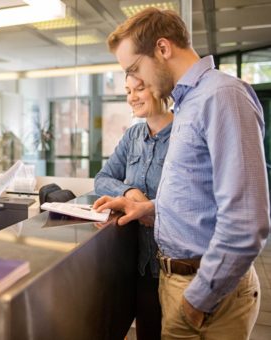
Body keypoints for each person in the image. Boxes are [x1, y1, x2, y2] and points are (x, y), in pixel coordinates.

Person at [94, 8, 270, 340]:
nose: (137, 82)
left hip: (206, 292)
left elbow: (247, 221)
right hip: (176, 280)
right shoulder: (189, 104)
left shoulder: (222, 96)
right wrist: (149, 208)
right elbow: (199, 196)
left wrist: (197, 300)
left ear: (162, 48)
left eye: (134, 69)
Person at [95, 76, 173, 340]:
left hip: (175, 264)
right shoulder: (134, 135)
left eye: (140, 88)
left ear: (161, 86)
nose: (132, 97)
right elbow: (103, 178)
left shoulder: (184, 134)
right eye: (128, 91)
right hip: (142, 265)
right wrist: (129, 192)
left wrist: (151, 207)